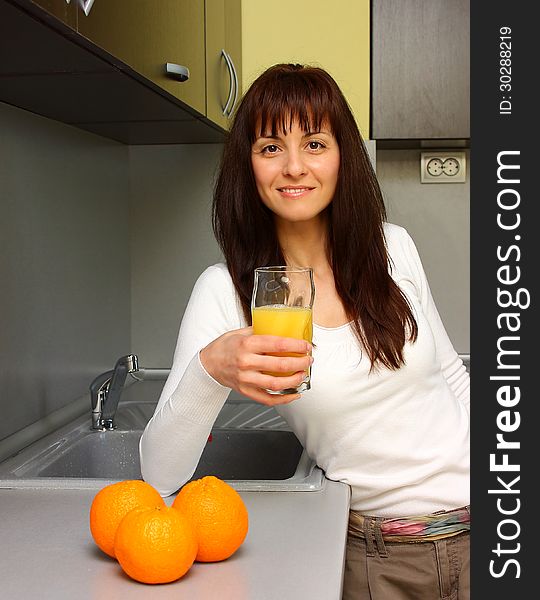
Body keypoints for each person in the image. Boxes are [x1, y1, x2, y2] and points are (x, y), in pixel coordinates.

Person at [139, 63, 470, 599]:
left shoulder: (392, 247)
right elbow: (159, 474)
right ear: (247, 165)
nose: (294, 167)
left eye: (315, 143)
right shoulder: (227, 290)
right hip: (380, 557)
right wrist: (211, 368)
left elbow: (452, 379)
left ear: (343, 157)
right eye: (271, 148)